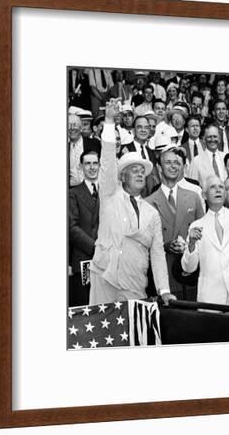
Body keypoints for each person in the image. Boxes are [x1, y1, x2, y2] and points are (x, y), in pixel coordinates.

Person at [89, 100, 176, 305]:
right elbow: (108, 161)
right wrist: (110, 122)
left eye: (142, 172)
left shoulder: (151, 213)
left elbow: (157, 254)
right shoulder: (110, 195)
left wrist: (164, 290)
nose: (139, 174)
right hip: (105, 280)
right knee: (103, 336)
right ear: (122, 177)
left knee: (132, 336)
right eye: (133, 170)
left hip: (135, 284)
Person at [181, 175, 229, 307]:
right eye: (213, 187)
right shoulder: (196, 226)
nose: (218, 190)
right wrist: (191, 244)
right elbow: (189, 268)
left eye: (221, 187)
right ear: (204, 195)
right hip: (210, 297)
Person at [145, 146, 205, 300]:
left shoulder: (193, 197)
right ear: (159, 167)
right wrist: (166, 245)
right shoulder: (148, 203)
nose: (173, 166)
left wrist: (189, 244)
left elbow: (204, 234)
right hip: (164, 274)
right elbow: (146, 243)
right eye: (168, 162)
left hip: (191, 272)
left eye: (177, 163)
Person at [69, 149, 101, 307]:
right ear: (81, 167)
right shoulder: (73, 193)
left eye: (95, 163)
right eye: (88, 163)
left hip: (106, 259)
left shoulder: (108, 192)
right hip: (84, 257)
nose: (92, 167)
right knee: (85, 305)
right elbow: (72, 227)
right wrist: (94, 246)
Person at [68, 113, 101, 187]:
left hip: (92, 187)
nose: (72, 128)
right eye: (69, 126)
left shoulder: (94, 143)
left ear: (81, 128)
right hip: (71, 190)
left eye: (75, 125)